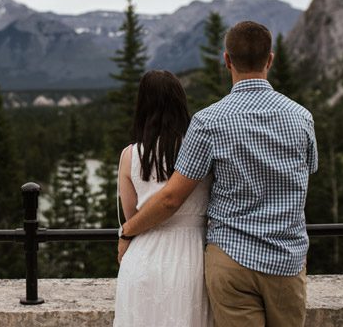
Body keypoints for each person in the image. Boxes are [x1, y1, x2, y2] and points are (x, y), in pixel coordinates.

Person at [118, 21, 318, 327]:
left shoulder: (208, 121)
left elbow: (171, 197)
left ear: (227, 60)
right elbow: (305, 178)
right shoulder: (302, 118)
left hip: (230, 259)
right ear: (270, 59)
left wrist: (128, 230)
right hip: (285, 258)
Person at [113, 69, 213, 327]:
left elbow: (132, 217)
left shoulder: (130, 156)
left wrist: (125, 234)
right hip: (193, 257)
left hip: (143, 257)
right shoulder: (200, 151)